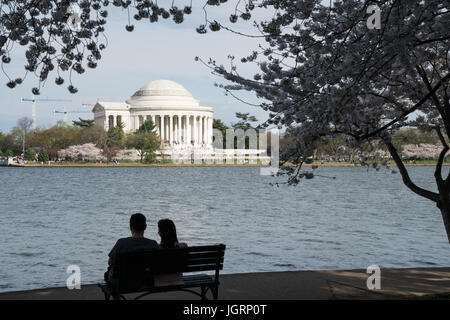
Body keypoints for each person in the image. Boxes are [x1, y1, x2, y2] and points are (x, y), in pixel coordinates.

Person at [105, 213, 159, 284]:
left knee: (107, 273)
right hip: (144, 280)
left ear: (130, 227)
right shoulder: (153, 244)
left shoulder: (121, 243)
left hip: (122, 281)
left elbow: (110, 262)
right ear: (145, 227)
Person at [154, 218, 187, 287]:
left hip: (160, 282)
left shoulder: (156, 248)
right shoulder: (183, 247)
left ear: (161, 233)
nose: (158, 232)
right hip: (178, 280)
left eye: (159, 230)